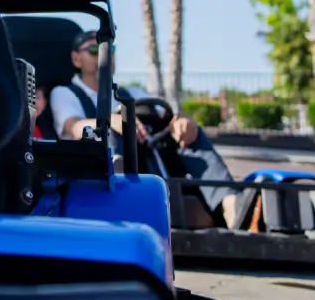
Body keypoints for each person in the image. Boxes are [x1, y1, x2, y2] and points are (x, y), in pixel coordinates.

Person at [49, 30, 236, 226]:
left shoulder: (132, 93)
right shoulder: (65, 93)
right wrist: (110, 120)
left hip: (147, 162)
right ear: (76, 59)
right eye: (95, 49)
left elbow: (168, 117)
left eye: (110, 49)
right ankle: (121, 207)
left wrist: (182, 121)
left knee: (191, 132)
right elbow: (73, 126)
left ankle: (230, 205)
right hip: (97, 176)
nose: (105, 55)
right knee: (110, 132)